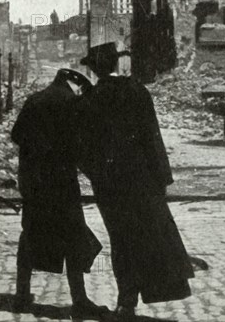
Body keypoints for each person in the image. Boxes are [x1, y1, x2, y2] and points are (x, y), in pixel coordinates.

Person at [77, 42, 195, 320]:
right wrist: (162, 178)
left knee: (121, 240)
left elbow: (81, 148)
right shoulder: (137, 91)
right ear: (117, 65)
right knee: (152, 235)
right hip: (143, 181)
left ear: (94, 69)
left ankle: (126, 301)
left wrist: (96, 174)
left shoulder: (89, 100)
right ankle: (158, 291)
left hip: (109, 185)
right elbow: (152, 137)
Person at [10, 69, 108, 318]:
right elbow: (79, 146)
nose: (81, 92)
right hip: (60, 182)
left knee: (31, 234)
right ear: (72, 83)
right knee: (73, 237)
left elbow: (16, 135)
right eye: (80, 87)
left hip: (34, 182)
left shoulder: (35, 100)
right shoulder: (70, 103)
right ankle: (80, 300)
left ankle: (22, 294)